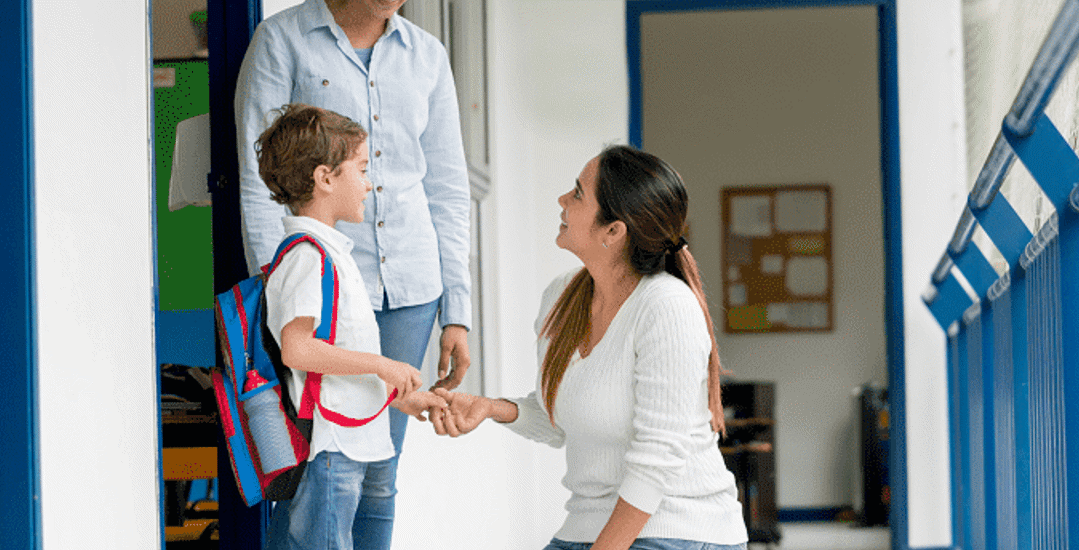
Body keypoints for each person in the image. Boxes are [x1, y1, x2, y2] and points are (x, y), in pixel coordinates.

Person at [235, 2, 475, 547]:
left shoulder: (428, 55)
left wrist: (456, 311)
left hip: (410, 286)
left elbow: (447, 188)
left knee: (378, 474)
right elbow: (256, 184)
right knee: (318, 469)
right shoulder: (282, 39)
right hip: (319, 289)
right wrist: (276, 290)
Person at [428, 146, 747, 550]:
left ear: (613, 231)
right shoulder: (561, 297)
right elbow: (560, 418)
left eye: (577, 193)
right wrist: (492, 408)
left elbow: (657, 459)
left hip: (676, 528)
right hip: (586, 527)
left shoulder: (667, 307)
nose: (562, 200)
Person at [252, 104, 446, 550]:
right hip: (330, 450)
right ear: (325, 178)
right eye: (360, 168)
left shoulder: (331, 252)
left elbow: (336, 359)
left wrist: (402, 396)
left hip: (346, 444)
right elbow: (297, 350)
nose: (368, 182)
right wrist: (382, 365)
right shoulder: (307, 256)